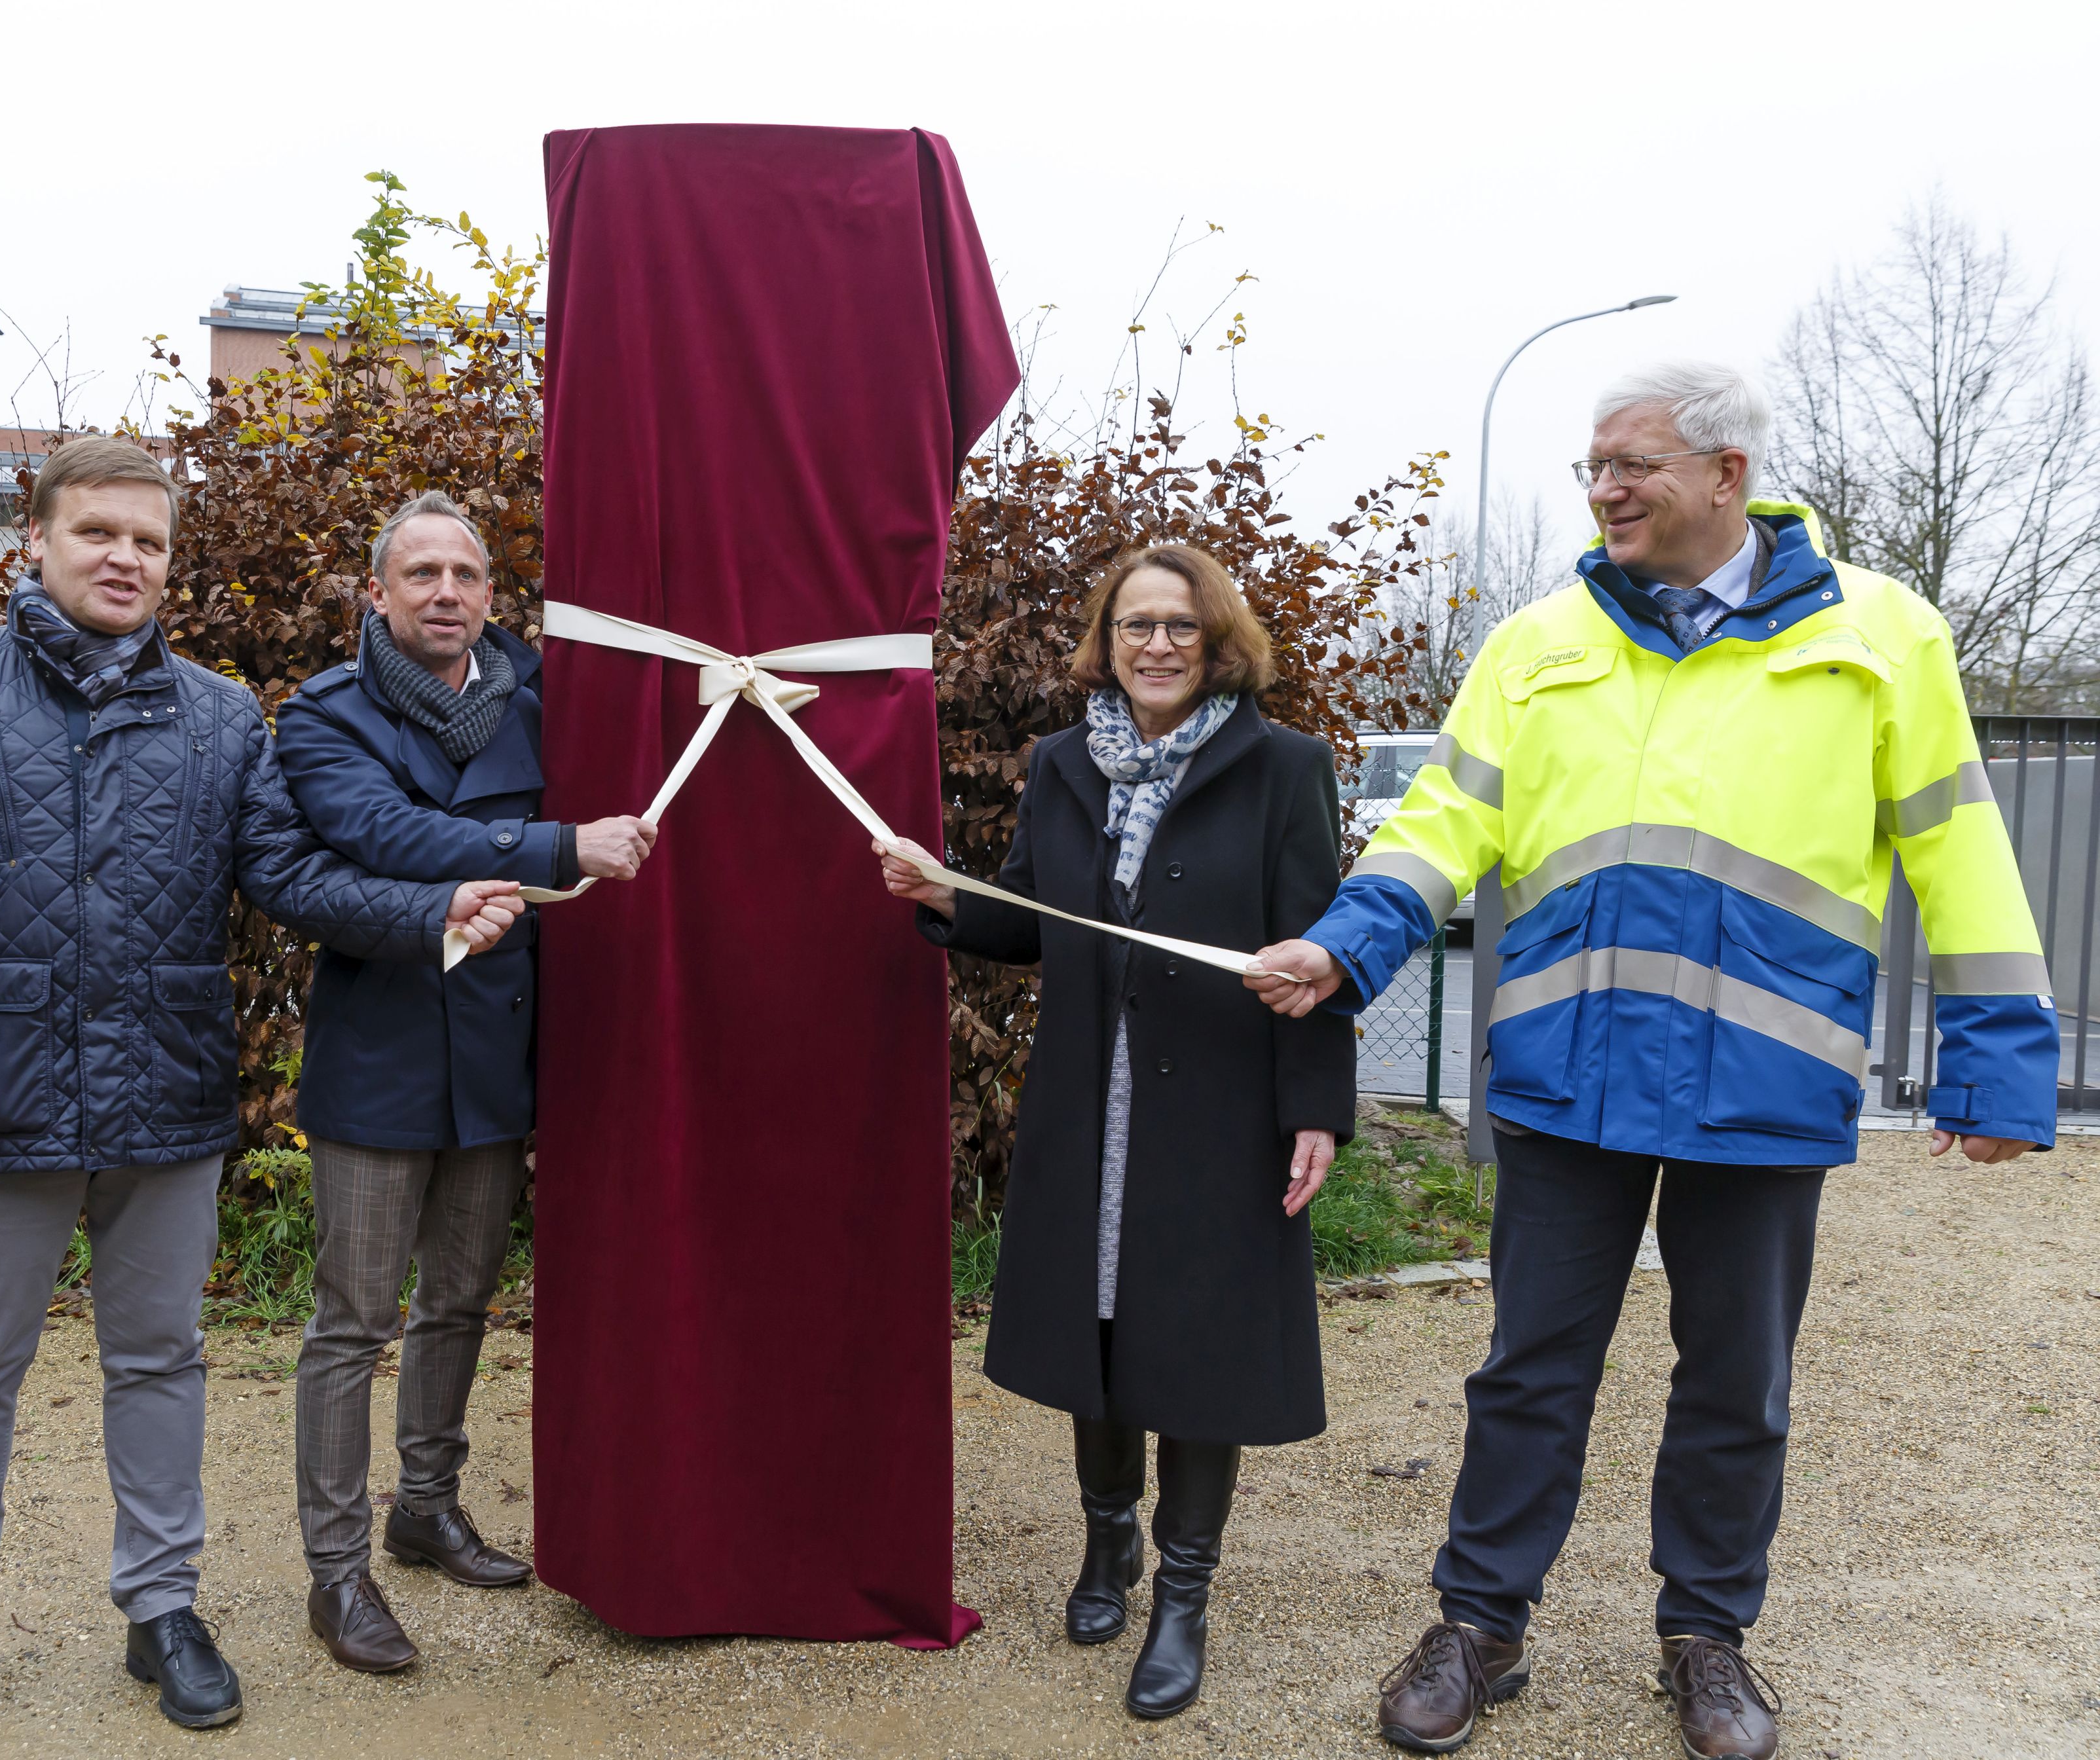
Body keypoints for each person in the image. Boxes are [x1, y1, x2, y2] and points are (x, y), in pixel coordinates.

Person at [1246, 362, 2059, 1759]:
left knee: (1737, 1380)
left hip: (1766, 1075)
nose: (1606, 491)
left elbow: (1956, 842)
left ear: (1728, 473)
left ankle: (1708, 1639)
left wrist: (1998, 1060)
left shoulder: (1882, 635)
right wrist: (1350, 940)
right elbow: (1446, 817)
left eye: (1633, 466)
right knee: (1527, 1370)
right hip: (1571, 1072)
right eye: (1594, 470)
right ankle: (1480, 1625)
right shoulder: (1539, 642)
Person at [0, 440, 522, 1760]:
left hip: (165, 1097)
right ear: (35, 540)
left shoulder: (215, 717)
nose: (124, 559)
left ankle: (162, 1609)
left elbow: (290, 876)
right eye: (97, 534)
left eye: (146, 540)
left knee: (161, 1364)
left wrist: (433, 910)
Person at [876, 544, 1352, 1719]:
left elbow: (1313, 952)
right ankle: (1108, 1544)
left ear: (1216, 639)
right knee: (1097, 1327)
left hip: (1224, 1108)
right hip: (1092, 1099)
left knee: (1200, 1350)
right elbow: (1036, 917)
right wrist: (947, 895)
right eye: (1134, 624)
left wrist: (1315, 1111)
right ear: (1107, 638)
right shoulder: (1059, 766)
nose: (1155, 645)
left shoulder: (1285, 768)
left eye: (1179, 626)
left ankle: (1182, 1599)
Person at [271, 490, 656, 1674]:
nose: (447, 593)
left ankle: (424, 1506)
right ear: (377, 596)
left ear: (494, 593)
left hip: (495, 1060)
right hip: (379, 1061)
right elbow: (377, 834)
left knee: (460, 1305)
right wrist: (550, 850)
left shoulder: (541, 701)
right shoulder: (322, 718)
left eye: (468, 575)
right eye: (422, 574)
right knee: (353, 1323)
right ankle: (337, 1575)